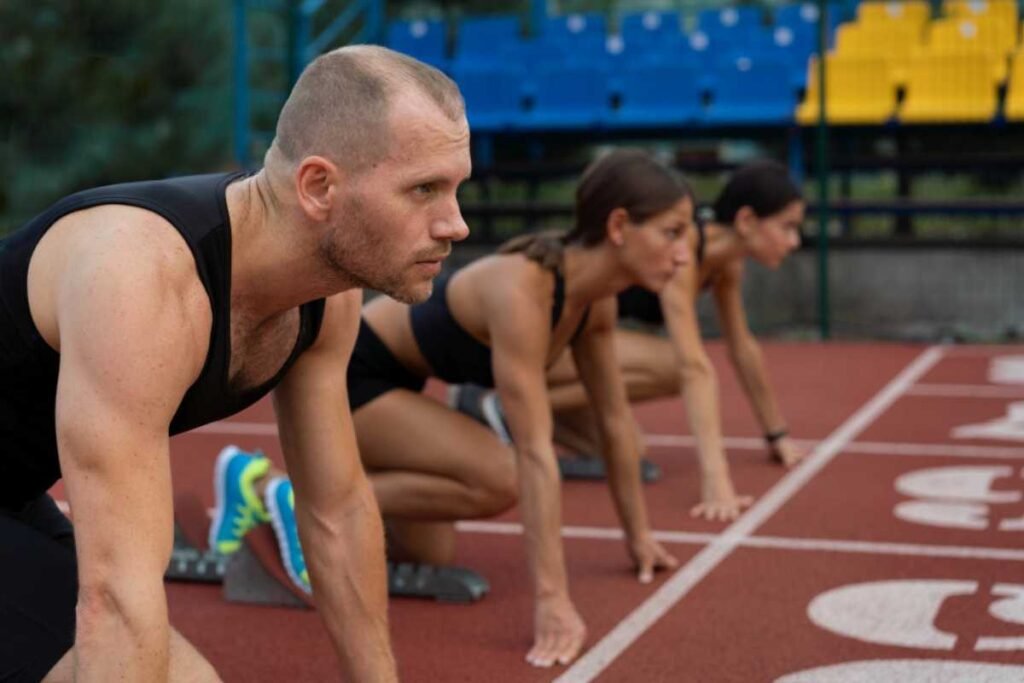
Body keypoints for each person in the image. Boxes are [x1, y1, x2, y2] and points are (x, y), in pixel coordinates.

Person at [0, 45, 470, 682]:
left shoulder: (326, 301)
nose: (456, 224)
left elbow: (335, 513)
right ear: (319, 186)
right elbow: (115, 602)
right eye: (424, 190)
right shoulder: (141, 278)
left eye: (456, 188)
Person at [212, 148, 691, 669]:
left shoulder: (594, 300)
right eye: (672, 232)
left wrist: (640, 538)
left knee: (429, 552)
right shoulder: (525, 290)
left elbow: (615, 421)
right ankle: (284, 492)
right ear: (619, 226)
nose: (685, 254)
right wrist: (553, 600)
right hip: (354, 374)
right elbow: (533, 451)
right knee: (499, 475)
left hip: (404, 386)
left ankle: (263, 482)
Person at [535, 160, 808, 522]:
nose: (795, 241)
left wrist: (777, 435)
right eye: (787, 227)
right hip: (549, 341)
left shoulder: (727, 264)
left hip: (583, 345)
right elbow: (692, 365)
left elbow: (743, 347)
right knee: (673, 365)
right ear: (746, 221)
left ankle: (508, 410)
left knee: (631, 453)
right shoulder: (685, 250)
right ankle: (506, 398)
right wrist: (717, 480)